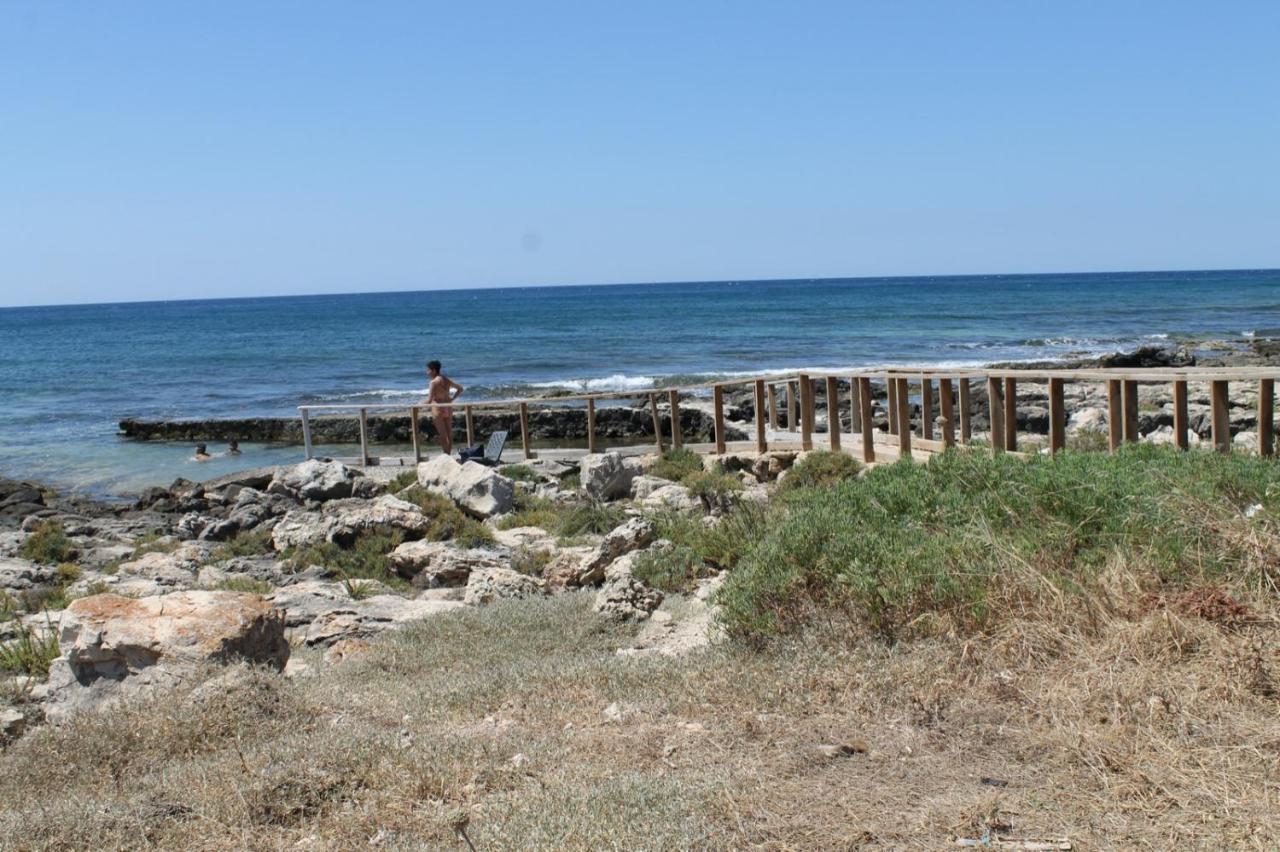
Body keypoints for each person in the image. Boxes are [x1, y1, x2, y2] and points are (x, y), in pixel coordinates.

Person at [423, 360, 464, 455]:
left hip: (438, 408)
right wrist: (452, 399)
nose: (427, 372)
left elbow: (429, 400)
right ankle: (448, 455)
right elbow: (460, 388)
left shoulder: (433, 382)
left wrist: (418, 404)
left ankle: (445, 455)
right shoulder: (446, 379)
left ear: (433, 370)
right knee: (449, 433)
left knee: (443, 434)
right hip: (448, 407)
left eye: (428, 370)